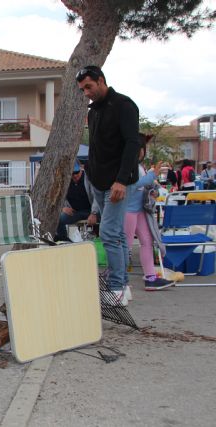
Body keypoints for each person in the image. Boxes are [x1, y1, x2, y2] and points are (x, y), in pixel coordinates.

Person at [76, 65, 140, 306]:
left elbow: (132, 144)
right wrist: (89, 175)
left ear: (101, 81)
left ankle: (116, 288)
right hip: (98, 182)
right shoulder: (93, 112)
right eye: (83, 89)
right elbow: (96, 146)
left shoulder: (124, 105)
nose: (86, 93)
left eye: (89, 87)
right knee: (118, 235)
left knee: (110, 234)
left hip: (118, 184)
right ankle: (123, 287)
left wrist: (122, 180)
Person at [124, 134, 174, 292]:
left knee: (147, 241)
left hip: (139, 211)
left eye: (142, 148)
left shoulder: (139, 167)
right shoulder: (125, 165)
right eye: (137, 148)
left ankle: (150, 278)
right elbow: (132, 185)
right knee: (126, 247)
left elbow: (143, 186)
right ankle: (120, 281)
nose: (140, 152)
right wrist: (152, 176)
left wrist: (152, 189)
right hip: (127, 211)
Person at [54, 161, 100, 242]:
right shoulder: (65, 181)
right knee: (58, 219)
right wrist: (63, 208)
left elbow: (97, 197)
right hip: (75, 212)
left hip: (91, 211)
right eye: (72, 173)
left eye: (76, 172)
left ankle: (100, 241)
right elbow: (57, 198)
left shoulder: (89, 178)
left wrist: (94, 213)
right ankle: (64, 241)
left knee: (103, 222)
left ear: (81, 169)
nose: (74, 175)